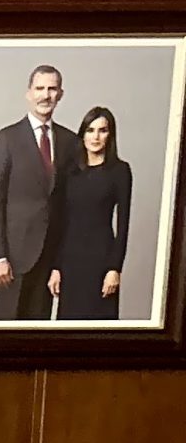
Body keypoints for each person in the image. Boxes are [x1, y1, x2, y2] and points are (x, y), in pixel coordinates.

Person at [0, 63, 80, 321]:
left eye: (52, 89)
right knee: (4, 337)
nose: (46, 95)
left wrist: (61, 263)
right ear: (29, 93)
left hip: (49, 258)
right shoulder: (6, 139)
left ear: (61, 94)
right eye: (40, 88)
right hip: (12, 258)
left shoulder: (70, 142)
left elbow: (70, 205)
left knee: (38, 336)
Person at [51, 105, 132, 322]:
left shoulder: (120, 171)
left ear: (110, 135)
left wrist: (115, 268)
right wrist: (56, 267)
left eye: (102, 130)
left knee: (100, 333)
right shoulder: (69, 172)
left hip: (101, 261)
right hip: (70, 262)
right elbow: (61, 222)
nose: (95, 137)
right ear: (83, 133)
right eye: (90, 130)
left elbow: (123, 224)